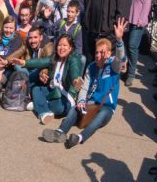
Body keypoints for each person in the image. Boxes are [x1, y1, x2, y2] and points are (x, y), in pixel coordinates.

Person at [42, 19, 126, 148]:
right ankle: (60, 131)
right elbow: (85, 87)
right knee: (75, 108)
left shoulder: (113, 66)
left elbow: (120, 58)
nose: (98, 55)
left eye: (102, 52)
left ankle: (80, 137)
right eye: (97, 52)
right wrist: (81, 100)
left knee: (101, 115)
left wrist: (119, 40)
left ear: (109, 54)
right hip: (90, 105)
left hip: (106, 107)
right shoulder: (91, 67)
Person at [30, 34, 83, 125]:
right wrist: (23, 62)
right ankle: (44, 112)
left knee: (59, 108)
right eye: (59, 45)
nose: (61, 48)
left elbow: (75, 72)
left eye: (65, 45)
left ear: (70, 48)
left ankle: (38, 105)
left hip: (65, 98)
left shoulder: (73, 59)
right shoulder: (54, 58)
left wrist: (75, 81)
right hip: (53, 91)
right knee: (36, 89)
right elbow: (39, 62)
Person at [126, 0, 152, 87]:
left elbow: (147, 3)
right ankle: (126, 70)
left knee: (132, 46)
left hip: (138, 20)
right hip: (128, 19)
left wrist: (141, 20)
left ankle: (131, 73)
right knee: (126, 46)